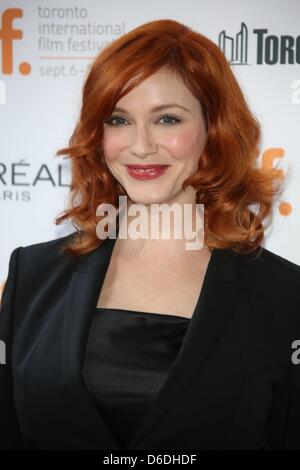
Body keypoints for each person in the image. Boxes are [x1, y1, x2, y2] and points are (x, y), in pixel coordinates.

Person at [1, 18, 300, 451]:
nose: (140, 145)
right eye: (118, 119)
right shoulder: (33, 274)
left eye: (166, 119)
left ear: (212, 131)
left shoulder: (285, 295)